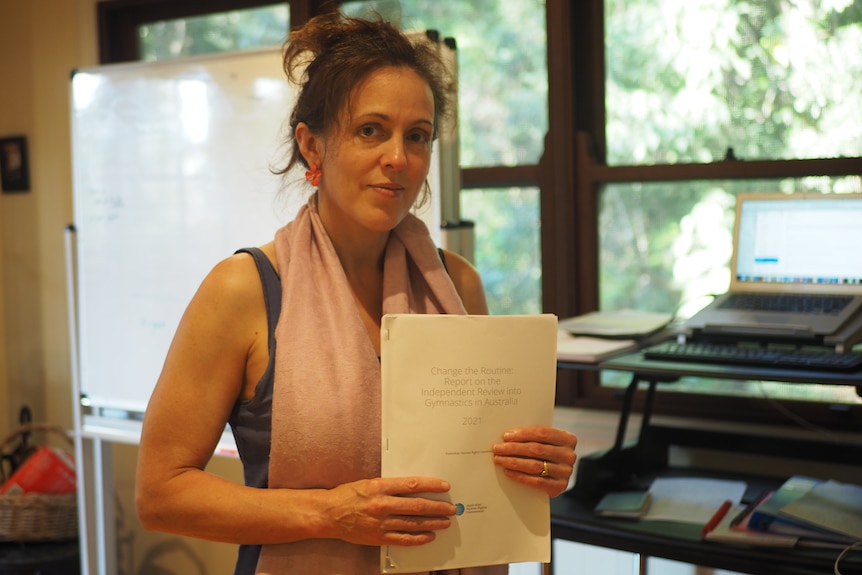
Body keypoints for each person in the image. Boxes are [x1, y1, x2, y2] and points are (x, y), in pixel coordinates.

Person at [135, 11, 578, 575]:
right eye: (371, 130)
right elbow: (160, 494)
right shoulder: (244, 290)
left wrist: (538, 466)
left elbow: (479, 465)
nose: (399, 157)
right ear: (312, 147)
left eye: (417, 136)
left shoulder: (458, 283)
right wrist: (330, 513)